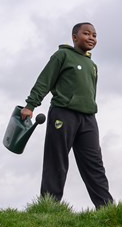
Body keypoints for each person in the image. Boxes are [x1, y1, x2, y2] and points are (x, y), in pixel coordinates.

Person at [20, 22, 113, 209]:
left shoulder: (92, 65)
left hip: (88, 118)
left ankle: (107, 209)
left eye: (94, 35)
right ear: (74, 37)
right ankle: (49, 206)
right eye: (86, 34)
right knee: (57, 161)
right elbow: (44, 81)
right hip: (63, 113)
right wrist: (30, 105)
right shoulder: (62, 55)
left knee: (94, 164)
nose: (91, 38)